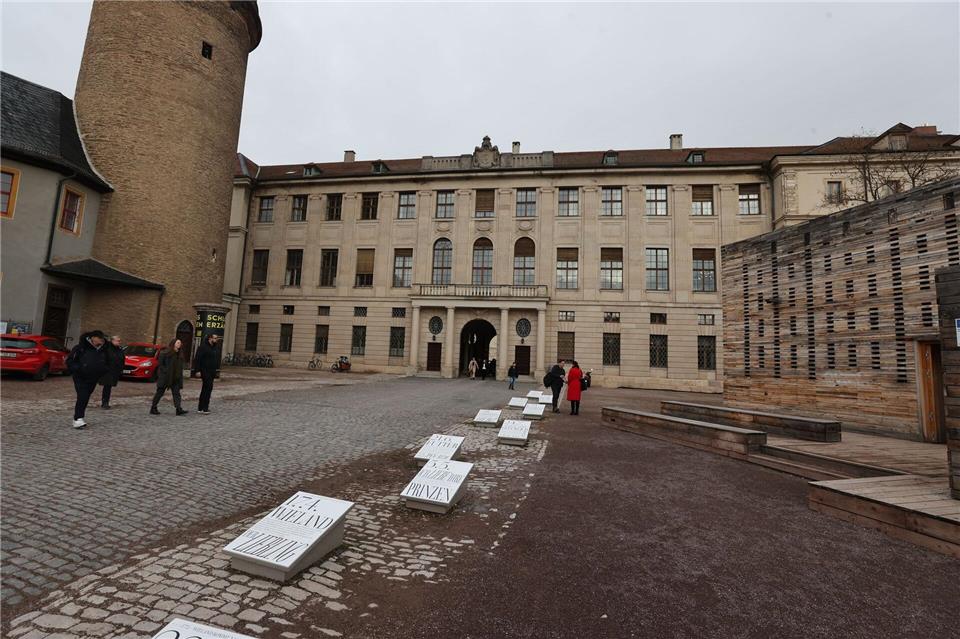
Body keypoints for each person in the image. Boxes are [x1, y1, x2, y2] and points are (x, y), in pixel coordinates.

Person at [66, 330, 109, 429]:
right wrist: (78, 369)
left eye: (102, 339)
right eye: (100, 338)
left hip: (93, 377)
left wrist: (104, 370)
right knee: (82, 396)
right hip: (80, 377)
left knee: (85, 397)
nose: (101, 341)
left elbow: (107, 361)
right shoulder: (80, 348)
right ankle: (78, 419)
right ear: (93, 338)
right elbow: (70, 361)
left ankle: (79, 418)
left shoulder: (102, 350)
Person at [151, 338, 187, 416]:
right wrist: (165, 372)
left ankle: (178, 409)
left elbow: (180, 367)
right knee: (160, 392)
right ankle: (153, 407)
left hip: (176, 377)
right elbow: (160, 365)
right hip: (166, 377)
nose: (179, 344)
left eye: (180, 343)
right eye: (178, 342)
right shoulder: (165, 353)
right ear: (173, 343)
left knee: (176, 393)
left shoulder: (180, 354)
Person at [194, 333, 219, 414]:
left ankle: (201, 407)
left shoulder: (214, 348)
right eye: (214, 338)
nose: (216, 340)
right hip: (205, 371)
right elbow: (197, 359)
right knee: (207, 388)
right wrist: (197, 370)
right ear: (210, 338)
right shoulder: (203, 347)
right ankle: (204, 408)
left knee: (206, 389)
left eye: (216, 338)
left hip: (211, 372)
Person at [99, 335, 124, 409]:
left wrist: (121, 369)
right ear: (112, 341)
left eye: (120, 341)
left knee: (108, 387)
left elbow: (122, 359)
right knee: (107, 386)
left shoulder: (119, 349)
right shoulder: (107, 348)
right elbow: (103, 359)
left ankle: (106, 402)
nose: (119, 342)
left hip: (114, 371)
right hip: (107, 371)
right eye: (118, 340)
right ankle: (104, 403)